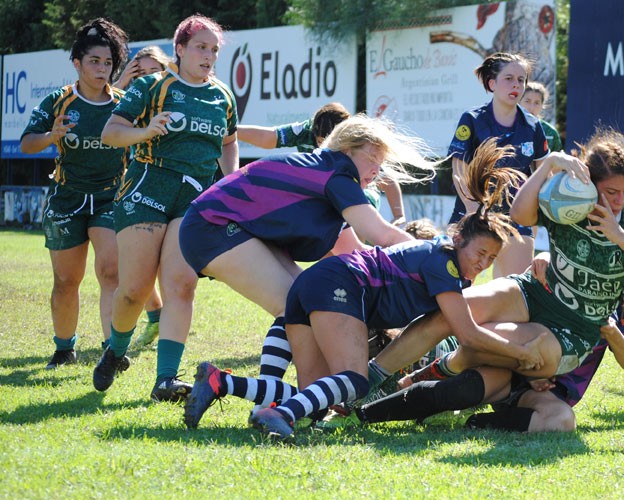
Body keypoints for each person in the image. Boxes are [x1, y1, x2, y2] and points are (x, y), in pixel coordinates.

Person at [183, 139, 543, 436]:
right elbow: (467, 333)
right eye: (480, 253)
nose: (483, 264)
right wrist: (524, 357)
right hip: (338, 284)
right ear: (459, 238)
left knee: (320, 396)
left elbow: (429, 327)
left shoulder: (447, 263)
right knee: (353, 381)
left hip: (316, 281)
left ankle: (222, 383)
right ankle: (279, 415)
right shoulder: (445, 264)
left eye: (491, 257)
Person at [361, 128, 624, 408]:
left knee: (494, 344)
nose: (620, 199)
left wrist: (618, 234)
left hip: (573, 329)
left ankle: (429, 375)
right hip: (533, 292)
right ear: (587, 182)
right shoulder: (569, 197)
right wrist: (549, 164)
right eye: (611, 192)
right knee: (451, 314)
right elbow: (521, 215)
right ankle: (364, 386)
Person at [178, 114, 443, 427]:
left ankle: (257, 398)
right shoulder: (337, 173)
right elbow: (383, 234)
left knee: (302, 300)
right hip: (212, 226)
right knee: (294, 303)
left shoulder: (327, 178)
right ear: (347, 150)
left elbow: (357, 253)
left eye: (380, 161)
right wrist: (438, 254)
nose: (376, 169)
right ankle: (257, 400)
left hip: (216, 224)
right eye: (371, 157)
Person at [94, 14, 239, 402]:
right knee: (135, 290)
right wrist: (145, 131)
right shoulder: (152, 87)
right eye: (200, 48)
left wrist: (231, 184)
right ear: (180, 49)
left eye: (214, 50)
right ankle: (116, 350)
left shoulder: (222, 96)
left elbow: (228, 142)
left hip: (194, 199)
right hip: (147, 189)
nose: (208, 56)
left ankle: (165, 381)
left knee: (181, 284)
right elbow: (110, 134)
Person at [359, 266, 624, 431]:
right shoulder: (573, 275)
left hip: (547, 392)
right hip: (512, 364)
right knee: (460, 390)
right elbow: (540, 268)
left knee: (562, 422)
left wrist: (608, 329)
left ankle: (481, 423)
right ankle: (365, 413)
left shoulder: (620, 307)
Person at [19, 18, 129, 369]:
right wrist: (51, 136)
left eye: (108, 63)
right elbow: (26, 145)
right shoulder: (59, 101)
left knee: (111, 271)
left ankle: (112, 351)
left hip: (110, 198)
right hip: (66, 198)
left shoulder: (123, 105)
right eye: (94, 61)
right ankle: (64, 349)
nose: (102, 69)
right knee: (66, 281)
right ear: (77, 63)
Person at [448, 52, 550, 278]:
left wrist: (535, 217)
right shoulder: (472, 119)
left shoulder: (533, 126)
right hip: (471, 213)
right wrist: (473, 212)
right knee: (454, 287)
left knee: (514, 289)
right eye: (509, 79)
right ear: (492, 83)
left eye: (521, 80)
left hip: (515, 219)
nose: (516, 85)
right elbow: (459, 170)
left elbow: (545, 174)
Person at [238, 102, 406, 226]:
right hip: (327, 191)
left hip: (362, 193)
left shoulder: (357, 140)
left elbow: (387, 180)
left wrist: (398, 215)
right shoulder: (306, 130)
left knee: (351, 211)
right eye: (320, 142)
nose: (324, 148)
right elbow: (269, 137)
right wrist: (231, 131)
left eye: (331, 142)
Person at [114, 45, 172, 349]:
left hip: (169, 190)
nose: (148, 79)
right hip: (131, 185)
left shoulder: (177, 98)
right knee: (134, 266)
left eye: (154, 72)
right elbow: (102, 129)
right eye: (142, 73)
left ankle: (161, 318)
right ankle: (154, 315)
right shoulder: (130, 101)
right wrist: (122, 83)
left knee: (162, 265)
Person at [520, 81, 563, 152]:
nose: (531, 107)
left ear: (542, 105)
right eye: (527, 101)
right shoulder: (509, 128)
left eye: (536, 103)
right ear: (519, 101)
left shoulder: (551, 133)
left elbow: (557, 160)